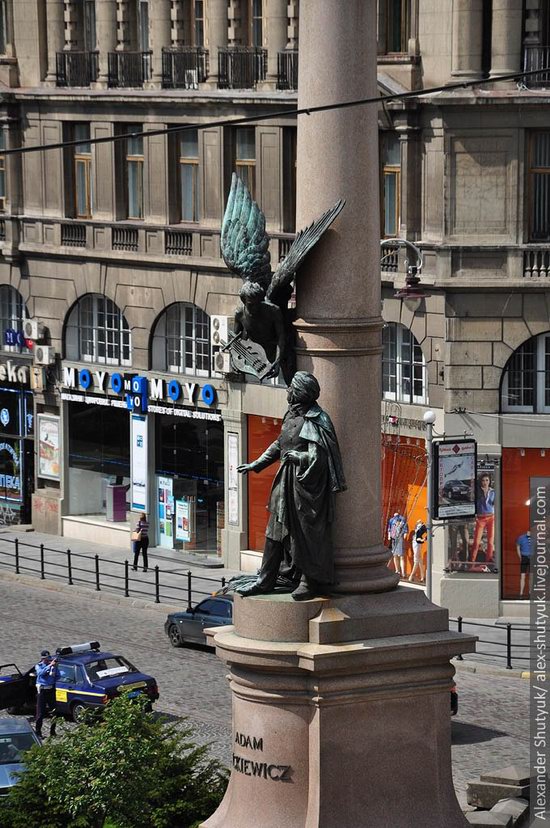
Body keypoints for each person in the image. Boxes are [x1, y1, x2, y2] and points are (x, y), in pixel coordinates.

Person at [236, 371, 346, 601]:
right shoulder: (291, 415)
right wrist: (256, 464)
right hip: (285, 480)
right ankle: (264, 580)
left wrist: (301, 457)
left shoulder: (318, 419)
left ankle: (308, 580)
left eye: (290, 388)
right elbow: (280, 444)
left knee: (306, 534)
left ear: (299, 392)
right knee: (273, 532)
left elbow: (321, 456)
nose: (287, 391)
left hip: (307, 486)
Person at [470, 473, 495, 569]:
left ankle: (488, 562)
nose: (485, 482)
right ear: (481, 481)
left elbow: (494, 504)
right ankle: (471, 563)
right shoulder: (477, 492)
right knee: (476, 542)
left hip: (491, 518)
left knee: (490, 542)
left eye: (487, 480)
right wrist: (474, 516)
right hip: (480, 519)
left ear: (490, 481)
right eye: (483, 480)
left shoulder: (493, 492)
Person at [34, 650, 58, 738]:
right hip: (42, 691)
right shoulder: (39, 666)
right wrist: (49, 666)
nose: (48, 660)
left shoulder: (53, 666)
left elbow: (58, 675)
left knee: (54, 712)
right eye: (46, 659)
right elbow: (40, 673)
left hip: (51, 690)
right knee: (40, 713)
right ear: (42, 659)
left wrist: (53, 670)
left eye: (49, 659)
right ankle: (38, 732)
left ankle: (52, 731)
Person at [387, 512, 408, 578]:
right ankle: (397, 570)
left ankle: (403, 572)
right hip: (394, 539)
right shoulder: (391, 520)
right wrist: (389, 535)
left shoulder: (402, 519)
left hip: (400, 539)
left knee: (401, 556)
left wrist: (405, 533)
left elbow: (405, 528)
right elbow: (389, 529)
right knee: (395, 555)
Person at [516, 529, 531, 598]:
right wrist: (520, 557)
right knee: (523, 576)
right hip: (524, 557)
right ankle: (521, 593)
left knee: (531, 576)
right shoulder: (521, 538)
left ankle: (530, 592)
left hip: (532, 557)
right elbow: (518, 547)